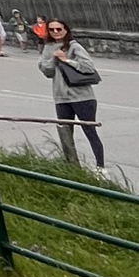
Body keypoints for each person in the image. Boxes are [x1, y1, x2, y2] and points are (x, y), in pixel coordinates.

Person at [38, 19, 104, 167]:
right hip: (61, 98)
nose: (55, 32)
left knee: (90, 131)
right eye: (52, 30)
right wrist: (54, 59)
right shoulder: (48, 48)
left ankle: (101, 168)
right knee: (66, 134)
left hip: (83, 97)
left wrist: (66, 60)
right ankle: (72, 167)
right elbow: (47, 71)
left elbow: (88, 67)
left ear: (66, 30)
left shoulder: (75, 46)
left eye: (59, 29)